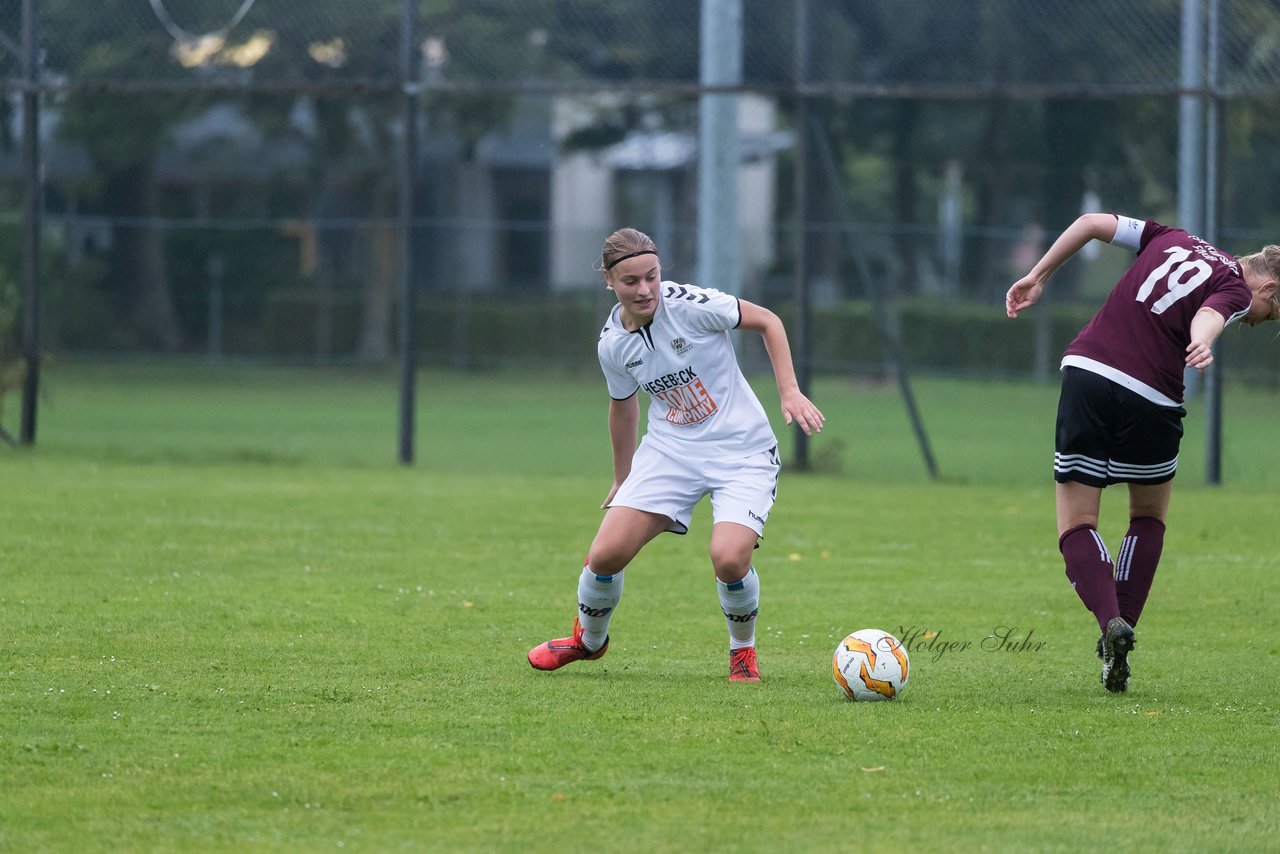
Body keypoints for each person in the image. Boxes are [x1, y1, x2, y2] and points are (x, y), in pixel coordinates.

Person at [527, 227, 825, 682]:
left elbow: (769, 320)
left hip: (741, 450)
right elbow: (622, 408)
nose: (645, 289)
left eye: (651, 276)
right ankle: (588, 641)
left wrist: (789, 391)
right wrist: (622, 478)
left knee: (729, 557)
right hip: (670, 452)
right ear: (609, 281)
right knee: (604, 555)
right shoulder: (612, 344)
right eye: (631, 281)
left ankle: (742, 652)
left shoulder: (689, 305)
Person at [1006, 212, 1280, 692]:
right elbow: (1210, 314)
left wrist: (1039, 275)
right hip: (1151, 394)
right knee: (1148, 517)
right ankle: (1122, 628)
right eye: (1272, 314)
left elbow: (1091, 222)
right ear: (1270, 287)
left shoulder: (1170, 234)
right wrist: (1201, 341)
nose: (1259, 323)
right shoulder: (1236, 288)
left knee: (1076, 524)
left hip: (1087, 370)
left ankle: (1112, 626)